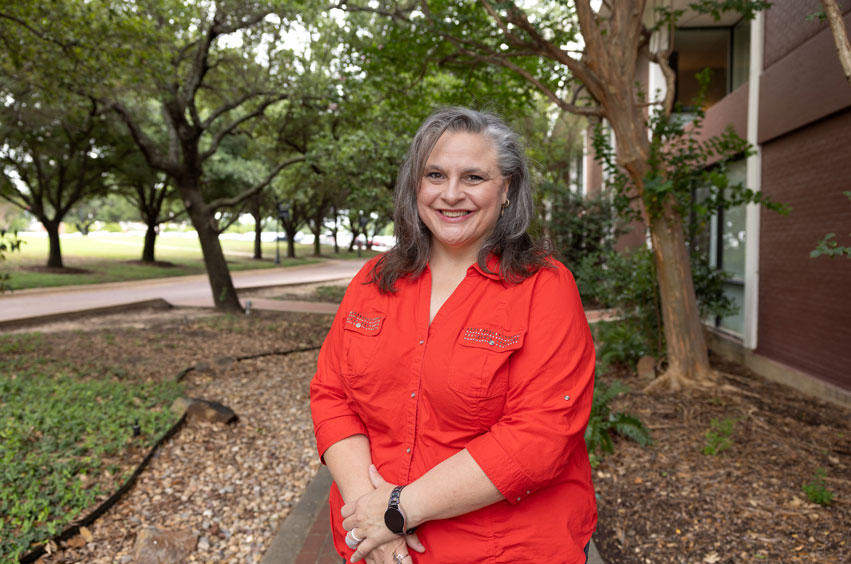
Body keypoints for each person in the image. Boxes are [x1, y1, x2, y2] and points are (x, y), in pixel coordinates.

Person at [310, 107, 596, 564]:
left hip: (502, 550)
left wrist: (397, 512)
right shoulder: (373, 279)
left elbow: (541, 433)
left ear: (507, 189)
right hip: (376, 548)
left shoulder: (545, 288)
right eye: (436, 174)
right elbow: (332, 395)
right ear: (415, 186)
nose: (451, 194)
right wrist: (371, 522)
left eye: (474, 177)